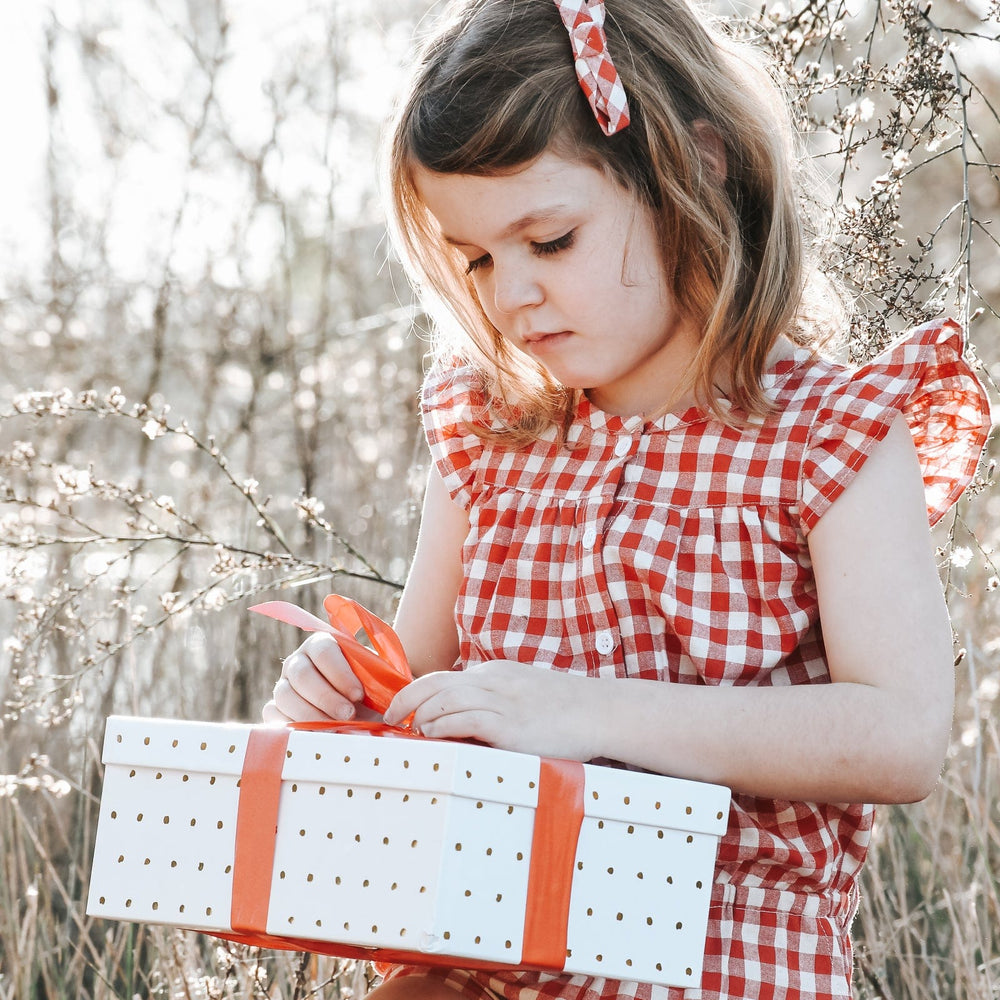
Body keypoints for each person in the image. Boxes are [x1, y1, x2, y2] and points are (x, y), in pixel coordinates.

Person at [262, 0, 991, 997]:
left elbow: (898, 736)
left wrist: (581, 711)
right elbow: (415, 702)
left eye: (549, 241)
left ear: (695, 165)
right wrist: (341, 699)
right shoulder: (491, 431)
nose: (508, 294)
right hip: (486, 944)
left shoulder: (827, 431)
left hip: (721, 956)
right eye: (474, 258)